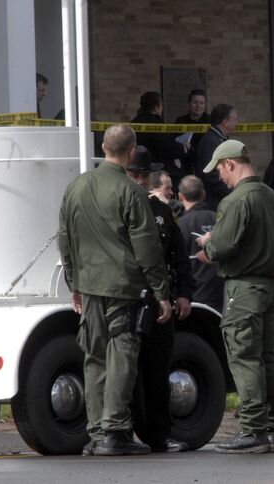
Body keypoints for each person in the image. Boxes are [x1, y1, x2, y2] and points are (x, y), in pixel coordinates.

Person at [58, 124, 172, 456]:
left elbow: (65, 237)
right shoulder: (132, 193)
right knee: (122, 355)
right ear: (131, 151)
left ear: (104, 148)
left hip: (89, 284)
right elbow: (147, 248)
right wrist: (161, 292)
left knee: (94, 356)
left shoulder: (76, 186)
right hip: (124, 286)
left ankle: (96, 433)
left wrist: (73, 282)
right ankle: (116, 430)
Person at [196, 140, 274, 454]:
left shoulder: (236, 201)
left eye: (220, 169)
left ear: (231, 164)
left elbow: (222, 247)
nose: (219, 176)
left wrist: (209, 243)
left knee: (244, 357)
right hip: (271, 288)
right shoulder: (273, 197)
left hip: (244, 288)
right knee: (268, 357)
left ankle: (253, 429)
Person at [124, 146, 194, 453]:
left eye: (144, 175)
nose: (140, 181)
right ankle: (121, 432)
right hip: (127, 298)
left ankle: (159, 433)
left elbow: (179, 258)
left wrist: (185, 295)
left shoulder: (162, 211)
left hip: (159, 302)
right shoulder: (118, 207)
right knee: (125, 372)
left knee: (156, 370)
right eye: (134, 175)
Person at [176, 175, 225, 312]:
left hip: (194, 299)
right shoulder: (220, 220)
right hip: (221, 294)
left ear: (180, 197)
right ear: (203, 195)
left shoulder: (180, 225)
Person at [131, 91, 189, 190]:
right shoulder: (157, 125)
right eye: (161, 105)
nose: (162, 108)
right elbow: (167, 146)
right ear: (156, 107)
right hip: (156, 169)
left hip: (137, 169)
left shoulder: (134, 123)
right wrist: (184, 147)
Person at [195, 104, 238, 210]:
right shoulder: (211, 141)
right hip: (213, 201)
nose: (237, 123)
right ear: (225, 122)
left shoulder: (221, 139)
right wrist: (229, 193)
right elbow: (210, 173)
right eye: (234, 119)